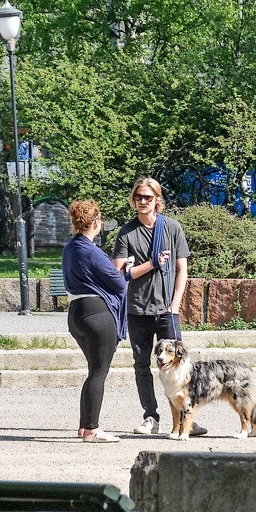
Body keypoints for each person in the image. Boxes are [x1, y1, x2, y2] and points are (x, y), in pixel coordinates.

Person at [112, 178, 206, 436]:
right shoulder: (127, 232)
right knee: (142, 364)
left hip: (167, 310)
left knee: (180, 364)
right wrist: (151, 264)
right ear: (134, 199)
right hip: (138, 309)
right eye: (139, 197)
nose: (143, 201)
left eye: (148, 197)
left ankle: (186, 417)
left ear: (157, 200)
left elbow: (182, 269)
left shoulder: (172, 228)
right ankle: (151, 417)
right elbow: (119, 274)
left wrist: (175, 304)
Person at [60, 199, 126, 442]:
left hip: (75, 312)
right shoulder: (93, 251)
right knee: (99, 372)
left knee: (93, 371)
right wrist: (124, 270)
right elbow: (119, 284)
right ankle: (92, 429)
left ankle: (83, 425)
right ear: (97, 222)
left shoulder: (69, 247)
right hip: (97, 313)